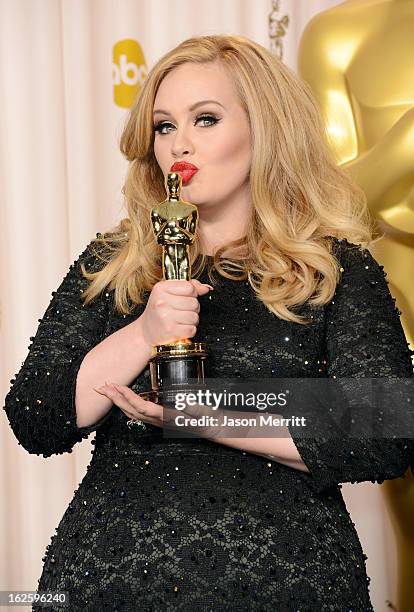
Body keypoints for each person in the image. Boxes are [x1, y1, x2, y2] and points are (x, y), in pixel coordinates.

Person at [3, 34, 414, 612]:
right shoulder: (115, 263)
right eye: (164, 126)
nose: (179, 144)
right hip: (108, 579)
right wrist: (143, 334)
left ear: (264, 129)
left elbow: (384, 427)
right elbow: (37, 417)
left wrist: (198, 412)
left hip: (287, 580)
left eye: (206, 119)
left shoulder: (333, 268)